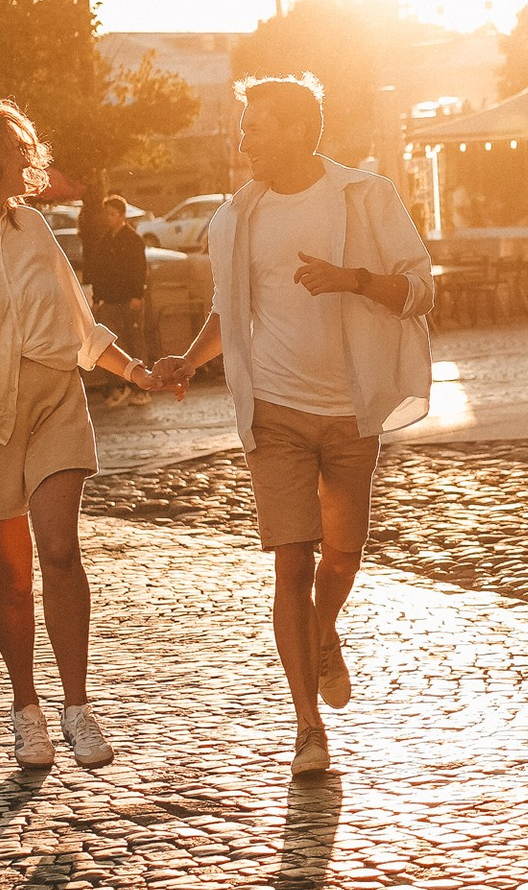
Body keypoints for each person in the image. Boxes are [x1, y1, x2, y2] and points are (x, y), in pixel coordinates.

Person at [158, 77, 433, 783]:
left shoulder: (366, 197)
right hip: (274, 410)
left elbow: (420, 289)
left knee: (342, 556)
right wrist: (190, 360)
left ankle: (323, 630)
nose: (245, 137)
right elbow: (229, 309)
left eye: (258, 124)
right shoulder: (236, 217)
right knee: (292, 559)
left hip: (351, 409)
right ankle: (308, 729)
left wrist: (352, 279)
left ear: (300, 132)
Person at [0, 99, 160, 774]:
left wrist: (133, 371)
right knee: (13, 579)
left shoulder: (34, 228)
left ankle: (78, 707)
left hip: (53, 398)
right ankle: (27, 711)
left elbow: (78, 322)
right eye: (17, 146)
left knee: (60, 549)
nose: (30, 155)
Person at [86, 195, 154, 336]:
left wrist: (137, 295)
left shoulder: (133, 240)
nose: (109, 218)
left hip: (128, 298)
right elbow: (99, 271)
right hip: (109, 300)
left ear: (122, 215)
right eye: (107, 214)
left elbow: (139, 269)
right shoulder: (104, 241)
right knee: (112, 339)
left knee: (133, 338)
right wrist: (97, 298)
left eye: (112, 214)